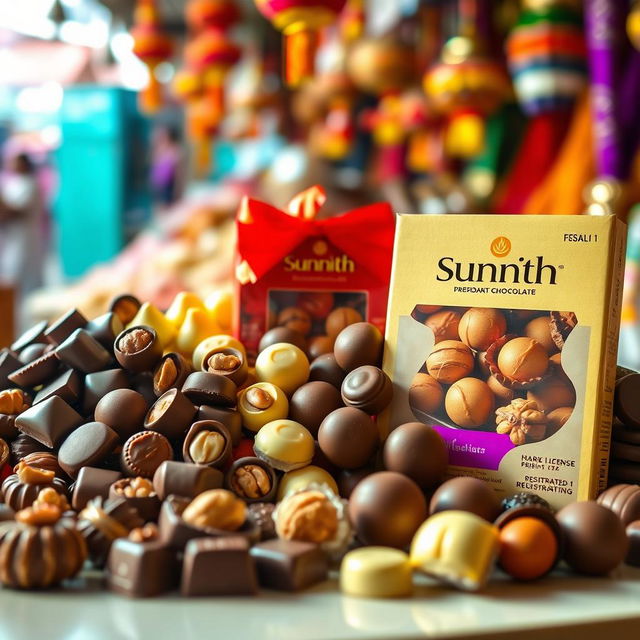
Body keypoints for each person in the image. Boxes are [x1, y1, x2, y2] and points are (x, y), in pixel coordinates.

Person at [0, 152, 44, 296]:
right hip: (11, 239)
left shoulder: (30, 185)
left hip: (24, 239)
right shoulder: (13, 184)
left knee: (22, 278)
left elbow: (15, 211)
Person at [150, 125, 184, 209]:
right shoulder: (159, 148)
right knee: (158, 205)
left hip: (169, 183)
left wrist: (178, 188)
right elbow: (155, 165)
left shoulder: (175, 149)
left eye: (164, 135)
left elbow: (178, 170)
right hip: (158, 182)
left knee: (168, 205)